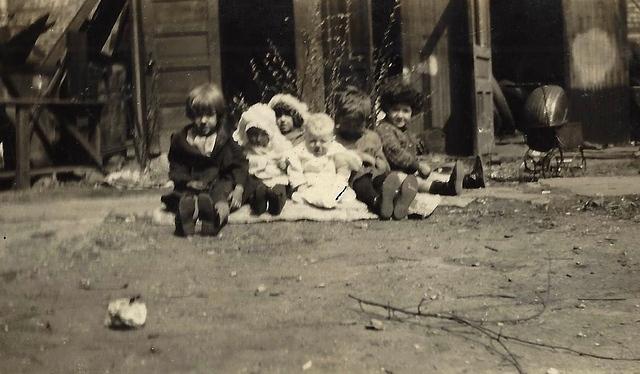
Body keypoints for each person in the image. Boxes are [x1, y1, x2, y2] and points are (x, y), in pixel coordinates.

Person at [161, 83, 248, 237]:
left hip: (218, 182)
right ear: (191, 115)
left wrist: (239, 189)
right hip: (193, 182)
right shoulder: (182, 139)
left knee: (222, 199)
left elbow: (239, 164)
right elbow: (176, 166)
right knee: (184, 197)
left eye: (209, 115)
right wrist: (187, 181)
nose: (203, 121)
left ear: (218, 114)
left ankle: (214, 220)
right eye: (198, 115)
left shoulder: (225, 137)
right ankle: (185, 219)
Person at [376, 79, 484, 195]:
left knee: (433, 174)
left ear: (412, 112)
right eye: (395, 110)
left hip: (408, 170)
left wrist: (417, 145)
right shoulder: (384, 129)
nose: (400, 115)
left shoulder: (402, 130)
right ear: (387, 110)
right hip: (392, 175)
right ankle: (443, 188)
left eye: (405, 111)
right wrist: (417, 165)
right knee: (414, 182)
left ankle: (470, 180)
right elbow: (394, 152)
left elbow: (409, 145)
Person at [333, 86, 418, 220]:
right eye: (348, 123)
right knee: (363, 185)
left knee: (387, 179)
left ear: (366, 121)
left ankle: (398, 199)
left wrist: (379, 162)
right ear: (339, 119)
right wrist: (358, 156)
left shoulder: (371, 137)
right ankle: (379, 204)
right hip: (353, 178)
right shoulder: (333, 138)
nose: (352, 129)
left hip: (375, 174)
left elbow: (383, 162)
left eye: (358, 124)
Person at [287, 113, 362, 209]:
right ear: (305, 137)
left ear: (331, 139)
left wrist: (352, 161)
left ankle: (330, 199)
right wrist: (300, 184)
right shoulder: (300, 151)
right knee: (302, 196)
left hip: (332, 184)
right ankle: (320, 201)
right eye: (312, 141)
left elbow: (347, 164)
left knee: (344, 193)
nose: (317, 145)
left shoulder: (335, 148)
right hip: (310, 185)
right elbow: (294, 169)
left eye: (323, 141)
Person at [233, 103, 290, 215]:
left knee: (279, 188)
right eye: (253, 135)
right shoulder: (246, 149)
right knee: (255, 190)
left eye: (263, 135)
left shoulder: (278, 146)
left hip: (275, 178)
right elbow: (242, 165)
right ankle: (259, 204)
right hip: (255, 180)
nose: (258, 139)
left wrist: (285, 164)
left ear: (269, 133)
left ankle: (276, 203)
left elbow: (289, 158)